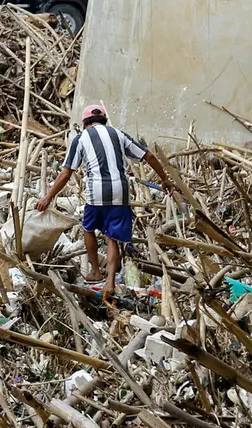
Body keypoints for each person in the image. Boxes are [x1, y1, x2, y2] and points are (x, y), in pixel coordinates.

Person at [35, 105, 176, 297]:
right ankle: (109, 281)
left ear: (85, 124)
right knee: (112, 237)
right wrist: (165, 179)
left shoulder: (81, 138)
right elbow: (148, 156)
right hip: (121, 190)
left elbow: (67, 172)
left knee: (88, 228)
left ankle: (95, 271)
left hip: (97, 191)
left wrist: (48, 197)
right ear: (104, 121)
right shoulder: (118, 133)